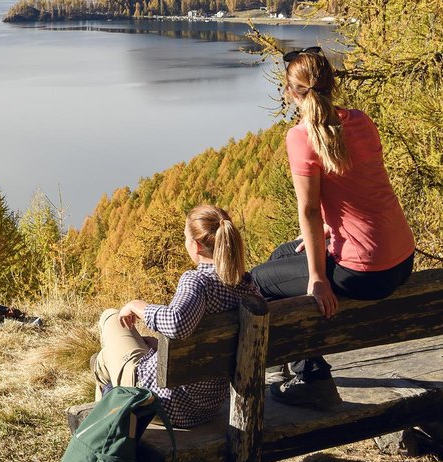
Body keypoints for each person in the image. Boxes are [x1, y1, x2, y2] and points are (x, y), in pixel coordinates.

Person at [251, 46, 416, 407]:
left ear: (291, 92)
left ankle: (312, 378)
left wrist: (317, 277)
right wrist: (330, 228)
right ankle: (295, 363)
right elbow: (360, 189)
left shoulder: (301, 137)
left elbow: (308, 210)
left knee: (256, 282)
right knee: (283, 254)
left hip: (365, 272)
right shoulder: (361, 121)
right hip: (402, 259)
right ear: (334, 84)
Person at [91, 203, 265, 428]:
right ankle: (109, 408)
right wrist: (162, 347)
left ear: (196, 246)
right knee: (110, 358)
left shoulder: (198, 282)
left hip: (163, 402)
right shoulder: (246, 286)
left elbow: (176, 323)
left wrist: (136, 305)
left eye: (185, 238)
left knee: (109, 321)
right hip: (208, 407)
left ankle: (101, 435)